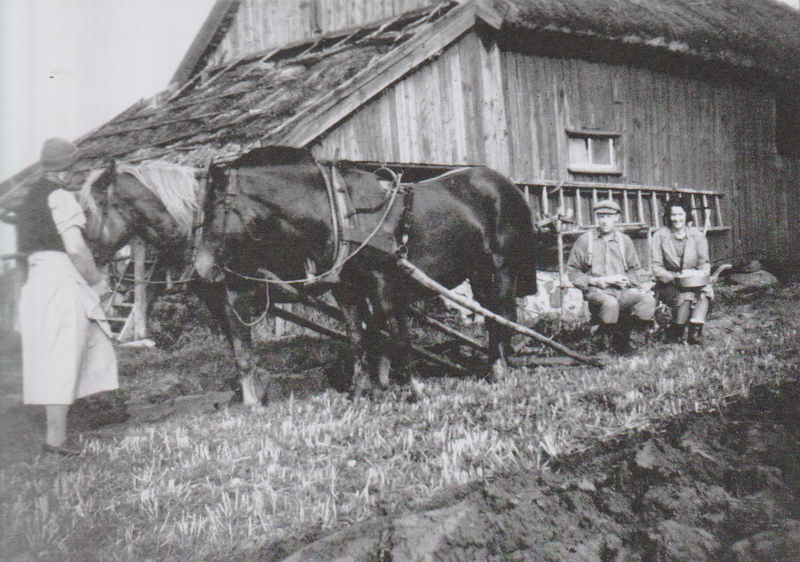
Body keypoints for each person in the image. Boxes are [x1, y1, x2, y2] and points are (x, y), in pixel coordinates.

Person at [17, 138, 119, 456]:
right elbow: (75, 248)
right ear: (67, 168)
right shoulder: (60, 197)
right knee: (63, 354)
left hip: (36, 280)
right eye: (74, 166)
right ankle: (56, 440)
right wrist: (97, 283)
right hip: (60, 278)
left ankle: (70, 424)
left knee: (76, 348)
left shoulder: (28, 200)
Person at [567, 199, 656, 354]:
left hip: (622, 291)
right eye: (600, 216)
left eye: (609, 216)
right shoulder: (585, 240)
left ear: (617, 218)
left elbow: (635, 270)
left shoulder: (624, 241)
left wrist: (627, 280)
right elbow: (573, 272)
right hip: (597, 292)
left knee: (647, 300)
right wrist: (596, 281)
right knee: (610, 304)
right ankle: (602, 343)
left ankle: (626, 337)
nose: (604, 221)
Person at [650, 195, 712, 345]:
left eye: (680, 214)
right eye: (673, 215)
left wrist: (701, 274)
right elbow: (655, 266)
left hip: (694, 280)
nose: (677, 218)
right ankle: (676, 331)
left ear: (687, 215)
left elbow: (704, 263)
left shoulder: (697, 236)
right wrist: (674, 278)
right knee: (686, 295)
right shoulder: (660, 236)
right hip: (669, 284)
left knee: (705, 291)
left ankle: (694, 333)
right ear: (668, 216)